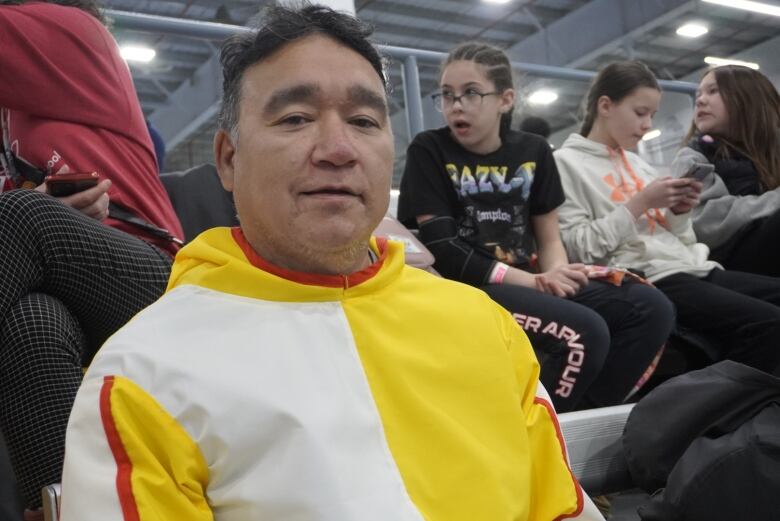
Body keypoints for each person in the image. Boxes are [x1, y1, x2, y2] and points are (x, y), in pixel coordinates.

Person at [59, 6, 604, 520]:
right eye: (296, 118)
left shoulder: (486, 327)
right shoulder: (143, 376)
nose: (338, 148)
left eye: (365, 121)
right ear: (229, 159)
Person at [397, 42, 673, 412]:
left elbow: (548, 236)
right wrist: (532, 281)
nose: (455, 105)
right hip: (468, 289)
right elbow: (444, 249)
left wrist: (558, 274)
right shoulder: (428, 149)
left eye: (470, 94)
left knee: (650, 307)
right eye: (446, 95)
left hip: (531, 280)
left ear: (505, 100)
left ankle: (583, 421)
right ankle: (541, 436)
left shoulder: (534, 150)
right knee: (583, 333)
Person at [0, 1, 183, 517]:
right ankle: (63, 508)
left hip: (154, 278)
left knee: (18, 217)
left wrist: (35, 208)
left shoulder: (74, 34)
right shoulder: (15, 109)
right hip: (71, 286)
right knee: (32, 322)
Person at [554, 60, 780, 379]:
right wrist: (639, 203)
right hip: (648, 277)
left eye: (652, 115)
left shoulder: (641, 166)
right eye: (640, 112)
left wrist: (679, 212)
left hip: (693, 266)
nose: (647, 125)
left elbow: (685, 240)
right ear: (605, 106)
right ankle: (720, 415)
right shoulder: (565, 164)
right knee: (768, 324)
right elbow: (581, 249)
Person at [671, 65, 780, 276]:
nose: (701, 100)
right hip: (728, 257)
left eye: (713, 91)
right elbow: (704, 222)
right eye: (699, 94)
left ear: (748, 98)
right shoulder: (692, 158)